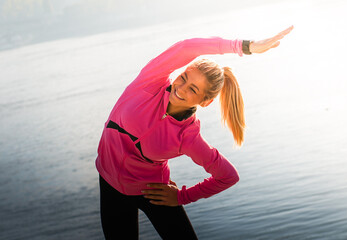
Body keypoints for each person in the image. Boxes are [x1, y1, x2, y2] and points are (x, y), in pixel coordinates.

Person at [96, 25, 294, 239]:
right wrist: (245, 47)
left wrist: (182, 196)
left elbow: (227, 176)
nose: (181, 88)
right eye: (183, 78)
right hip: (109, 185)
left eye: (193, 89)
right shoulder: (149, 82)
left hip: (154, 193)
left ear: (205, 102)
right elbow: (186, 48)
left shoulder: (188, 137)